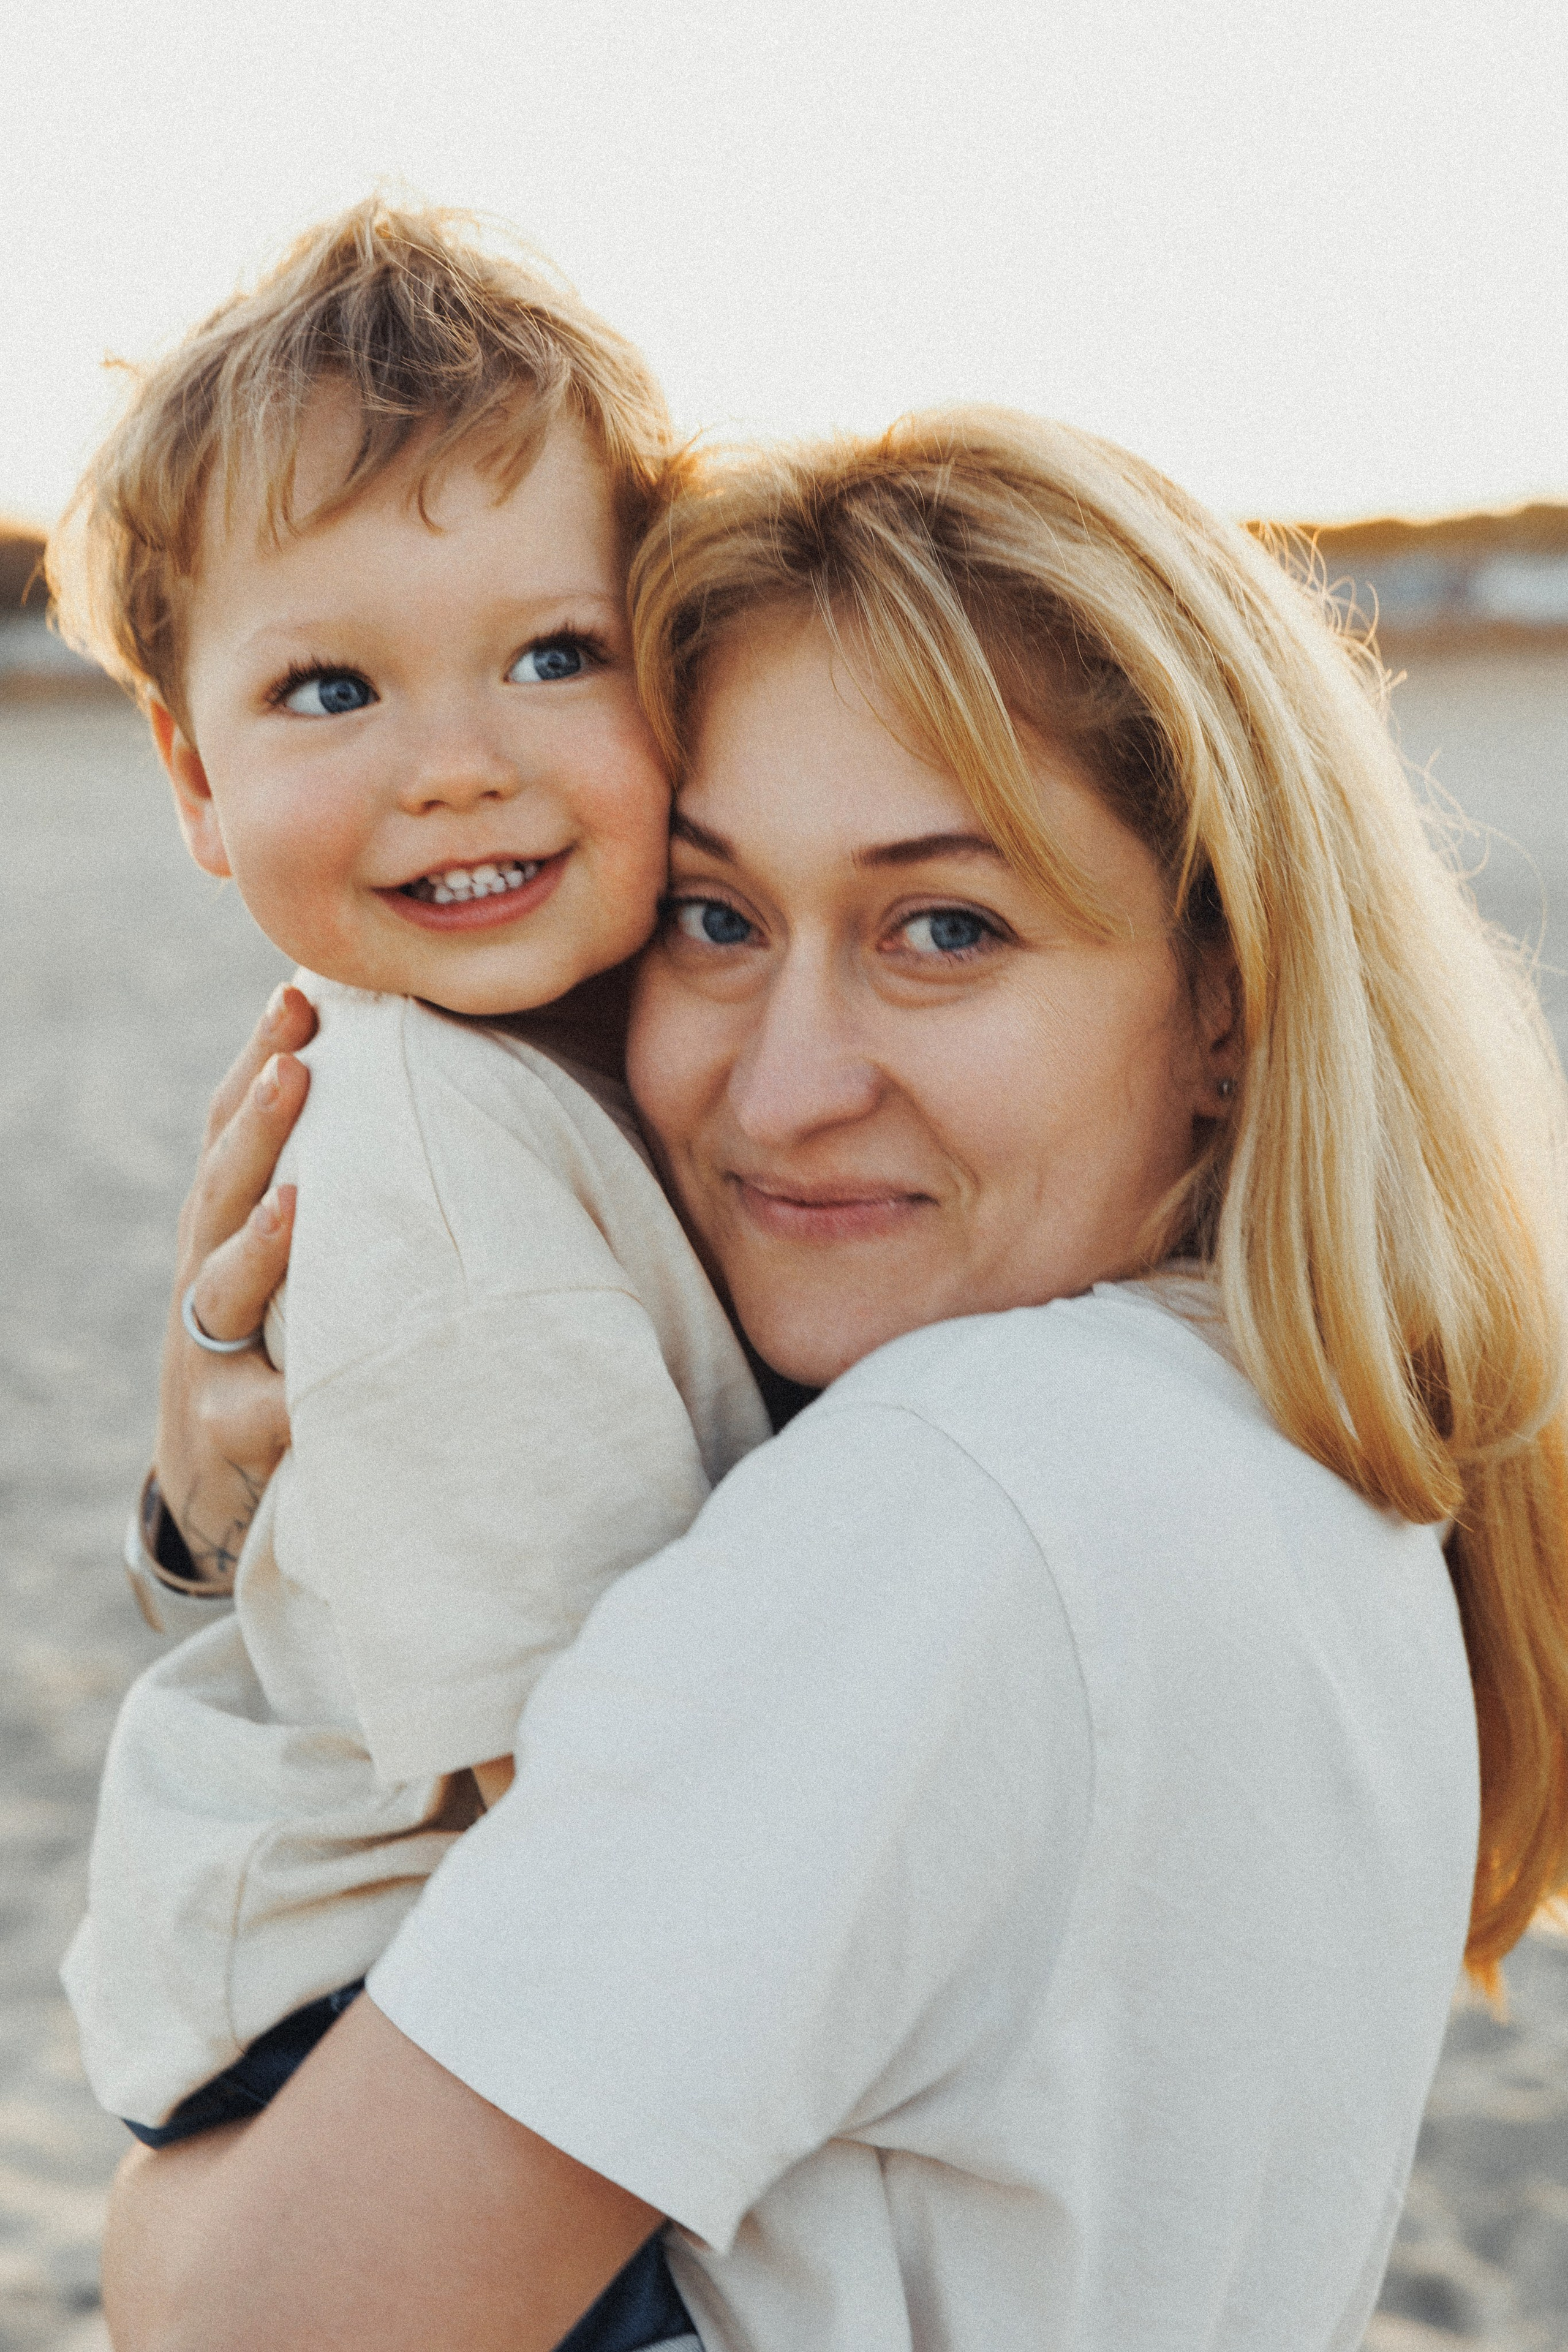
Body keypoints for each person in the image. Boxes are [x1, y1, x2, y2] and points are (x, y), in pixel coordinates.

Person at [102, 411, 1568, 2352]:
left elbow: (252, 2327)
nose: (788, 1087)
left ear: (1225, 1000)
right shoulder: (1317, 1461)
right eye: (716, 918)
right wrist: (244, 1499)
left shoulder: (954, 1498)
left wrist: (157, 2209)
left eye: (943, 930)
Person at [49, 200, 768, 2352]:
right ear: (193, 771)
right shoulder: (441, 1176)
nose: (455, 759)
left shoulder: (563, 1065)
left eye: (555, 655)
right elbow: (585, 1796)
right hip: (383, 2014)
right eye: (329, 687)